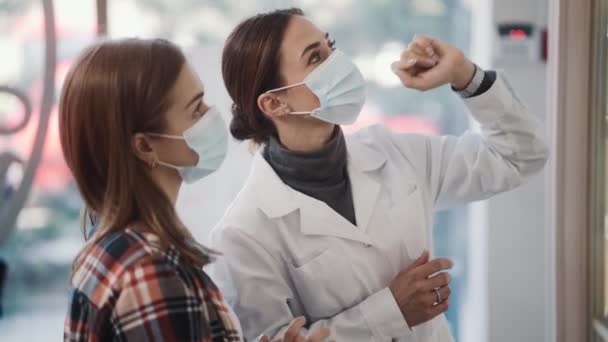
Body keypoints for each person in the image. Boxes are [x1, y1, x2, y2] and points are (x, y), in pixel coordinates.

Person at [209, 8, 549, 342]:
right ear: (274, 104)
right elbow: (274, 339)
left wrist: (465, 74)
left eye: (330, 46)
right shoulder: (244, 233)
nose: (337, 62)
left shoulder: (394, 153)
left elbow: (519, 155)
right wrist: (392, 312)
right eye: (315, 58)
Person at [60, 38, 330, 342]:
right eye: (196, 109)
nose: (212, 117)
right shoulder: (150, 273)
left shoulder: (107, 250)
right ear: (146, 146)